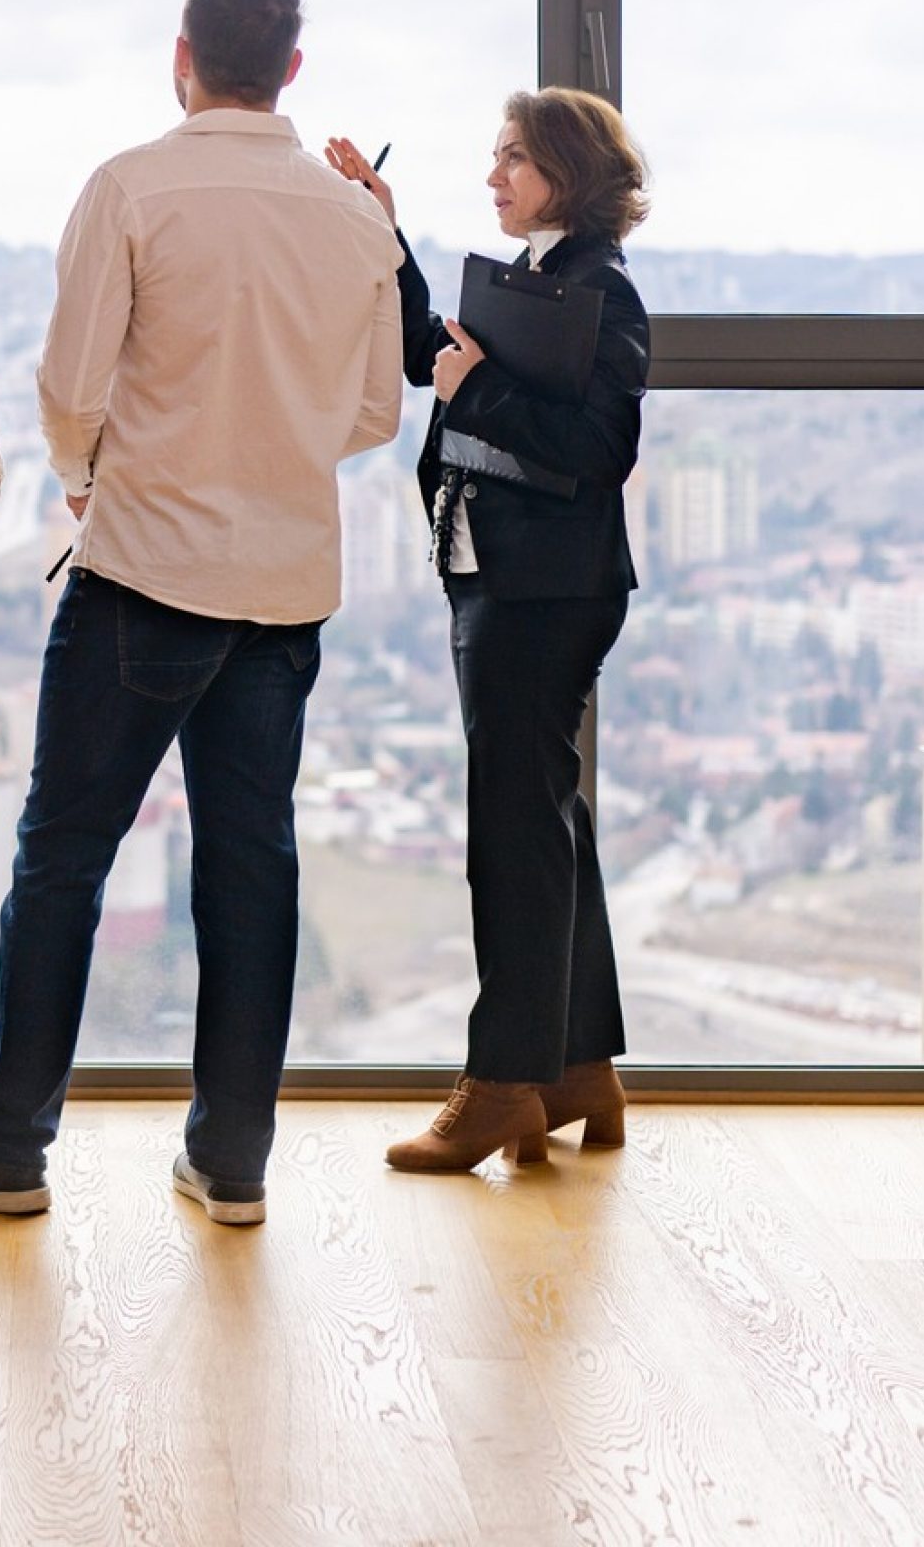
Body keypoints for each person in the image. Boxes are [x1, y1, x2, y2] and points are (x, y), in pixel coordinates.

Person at [0, 0, 403, 1229]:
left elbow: (70, 386)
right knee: (253, 869)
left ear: (181, 57)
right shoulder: (357, 221)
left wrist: (88, 479)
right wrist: (271, 450)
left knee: (62, 859)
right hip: (284, 591)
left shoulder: (129, 187)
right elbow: (378, 412)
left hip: (140, 577)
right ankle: (233, 1163)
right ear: (294, 67)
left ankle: (10, 1146)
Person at [322, 87, 651, 1175]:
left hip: (544, 592)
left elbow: (594, 450)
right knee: (545, 815)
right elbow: (435, 353)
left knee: (511, 833)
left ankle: (505, 1085)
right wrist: (386, 227)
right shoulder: (542, 279)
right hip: (505, 580)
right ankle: (580, 1067)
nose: (495, 174)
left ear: (568, 168)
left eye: (513, 156)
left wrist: (482, 391)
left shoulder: (601, 290)